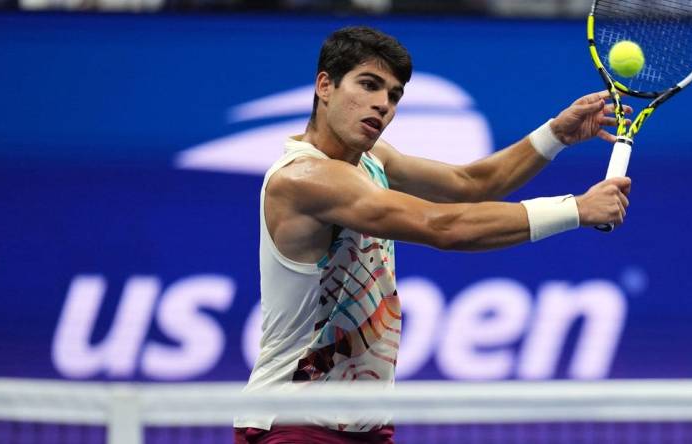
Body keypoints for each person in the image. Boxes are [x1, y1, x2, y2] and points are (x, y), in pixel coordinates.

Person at [234, 25, 631, 444]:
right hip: (293, 421)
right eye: (368, 85)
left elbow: (469, 183)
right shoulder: (304, 179)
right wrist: (575, 209)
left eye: (393, 95)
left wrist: (555, 136)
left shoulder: (372, 158)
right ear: (325, 86)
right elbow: (444, 226)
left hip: (364, 422)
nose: (382, 104)